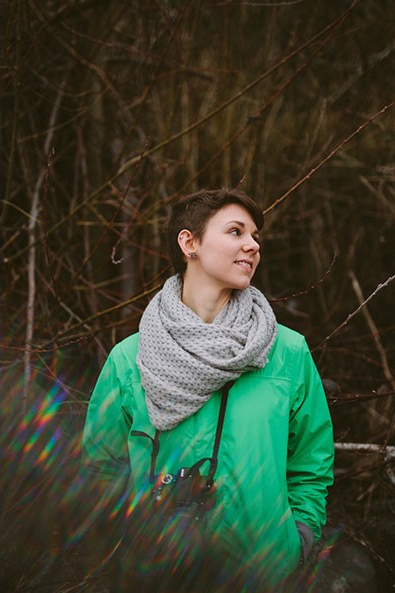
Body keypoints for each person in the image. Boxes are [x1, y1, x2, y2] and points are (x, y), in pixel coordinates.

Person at [80, 188, 334, 592]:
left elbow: (311, 463)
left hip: (265, 574)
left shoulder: (286, 352)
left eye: (255, 237)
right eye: (236, 232)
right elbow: (101, 468)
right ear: (190, 243)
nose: (252, 245)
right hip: (158, 574)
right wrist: (126, 538)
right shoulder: (131, 360)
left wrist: (298, 539)